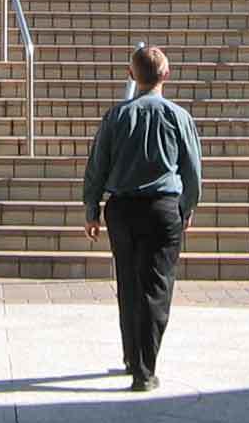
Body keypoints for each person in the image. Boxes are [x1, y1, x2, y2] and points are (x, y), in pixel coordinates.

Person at [82, 44, 203, 391]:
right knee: (156, 286)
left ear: (131, 75)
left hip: (121, 208)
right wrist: (188, 206)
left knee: (128, 283)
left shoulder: (116, 117)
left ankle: (131, 356)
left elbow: (97, 167)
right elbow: (192, 170)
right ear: (166, 75)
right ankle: (145, 370)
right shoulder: (179, 117)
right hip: (163, 208)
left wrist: (91, 208)